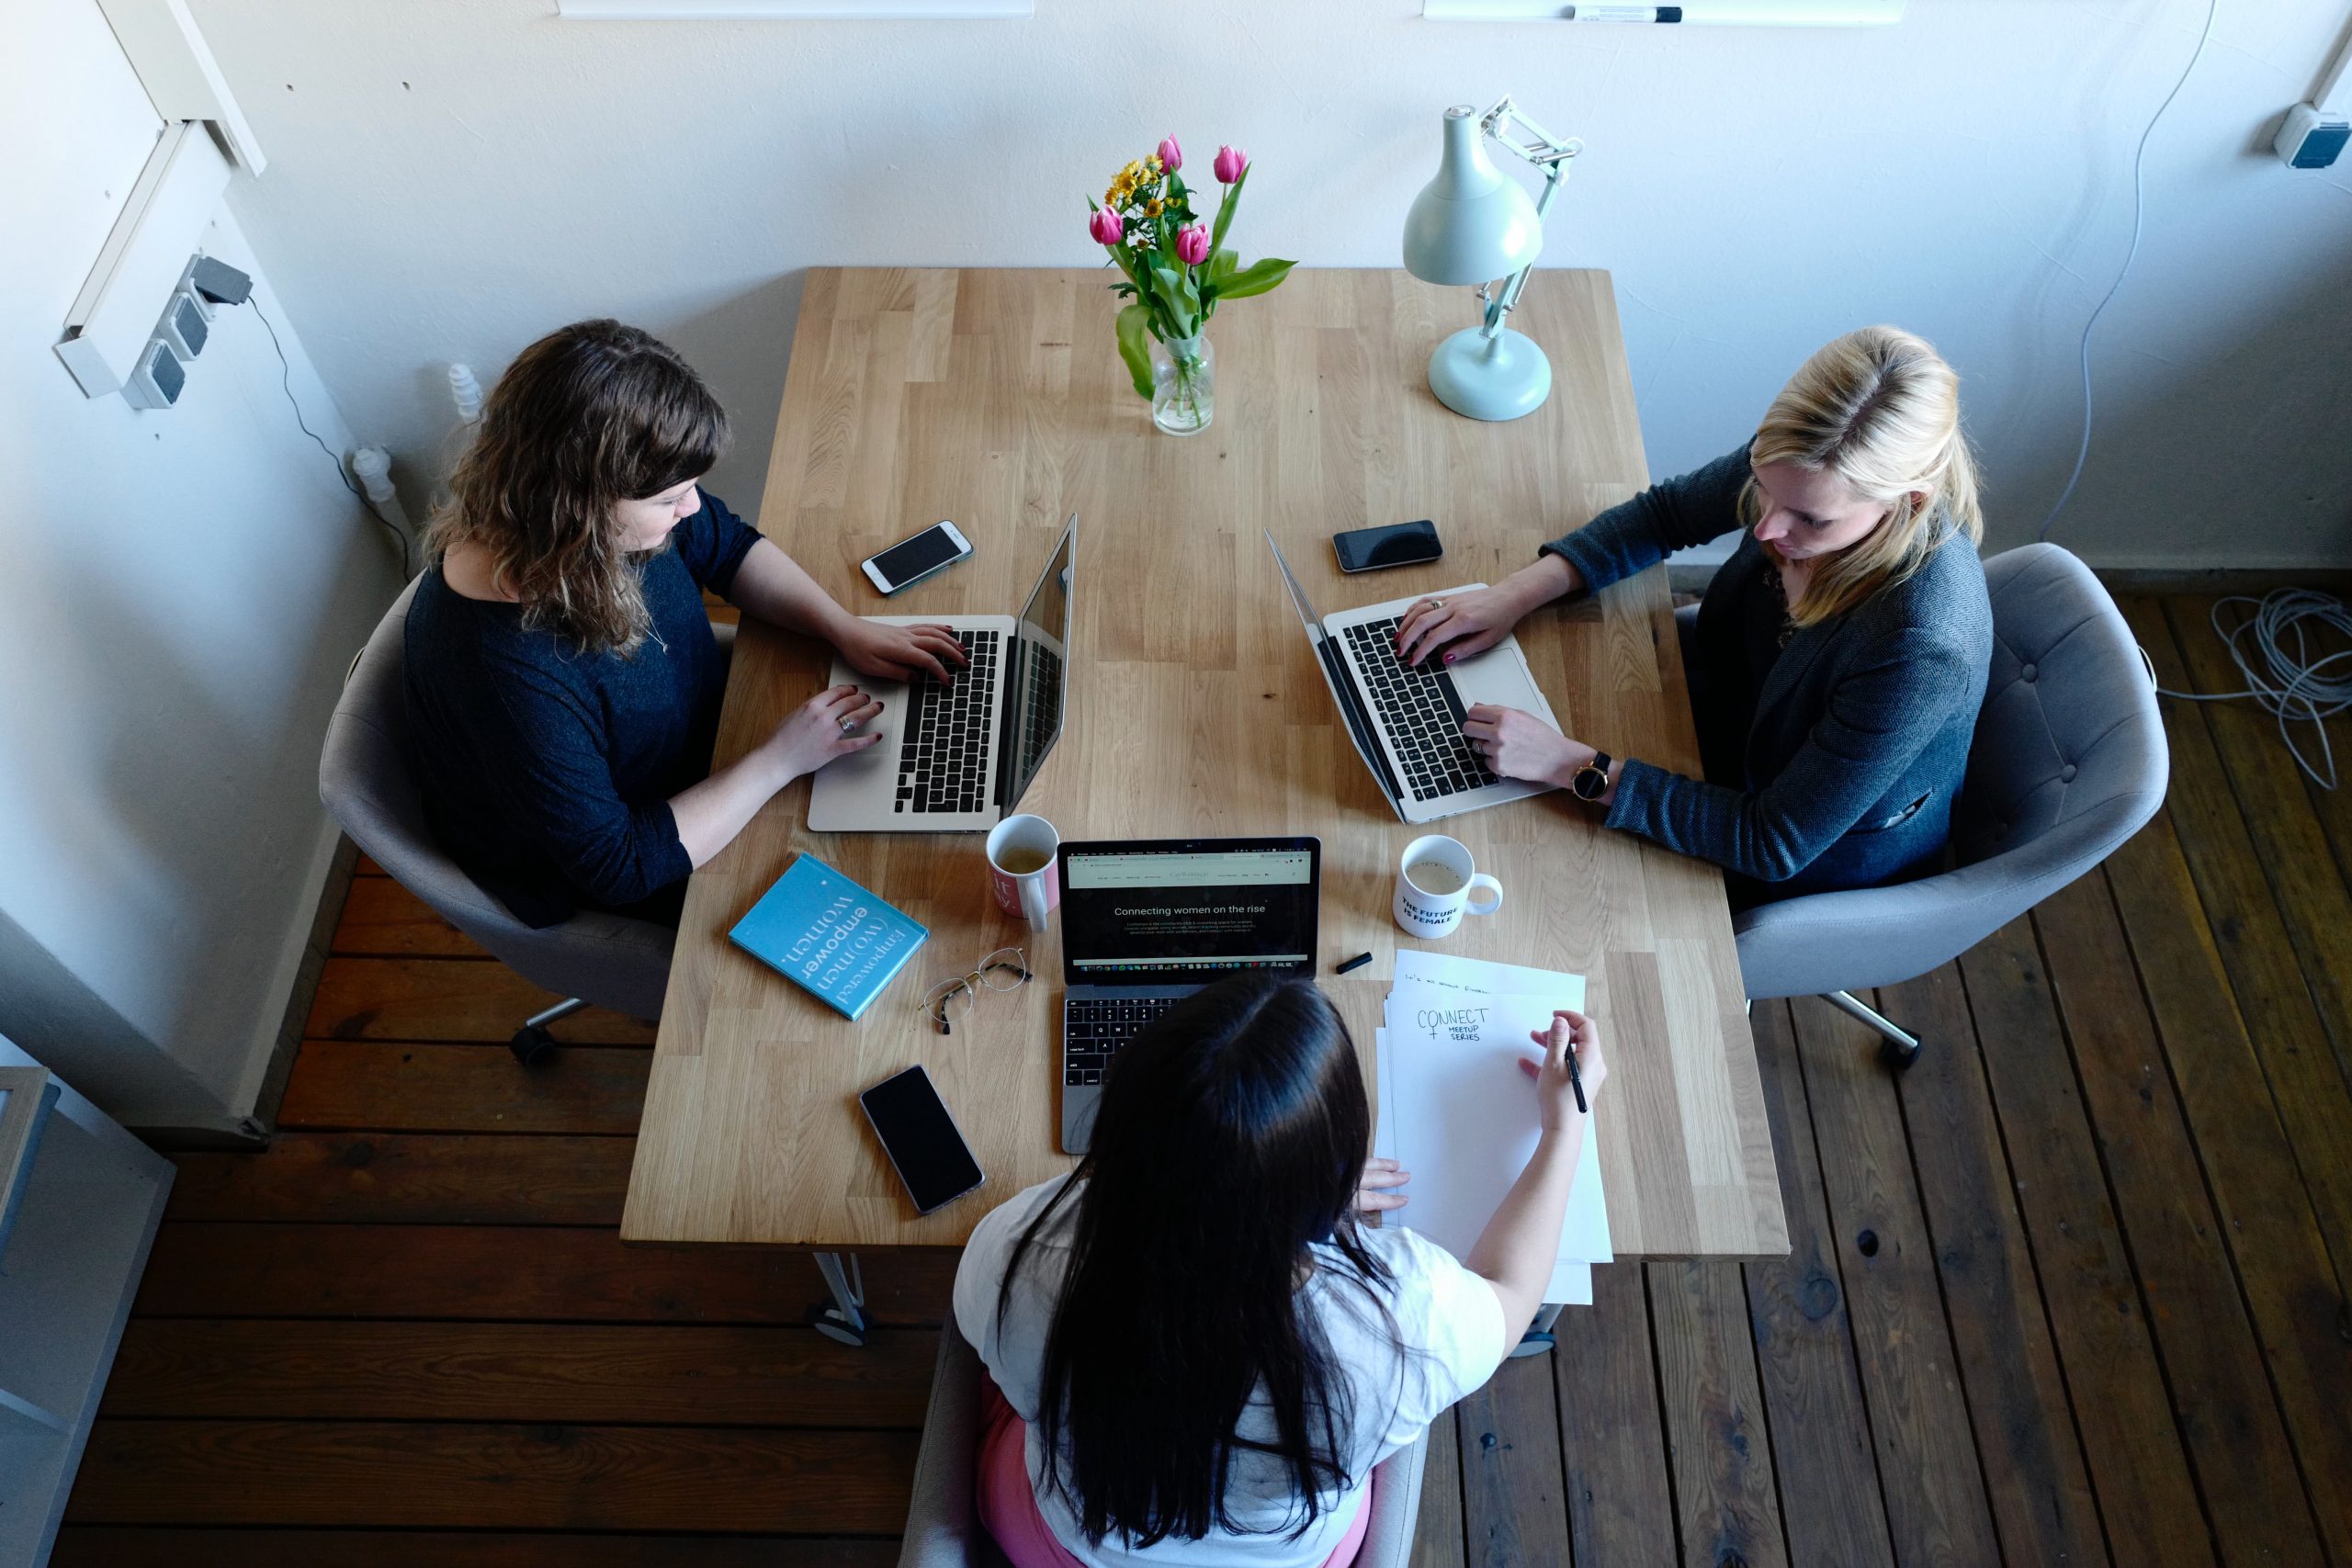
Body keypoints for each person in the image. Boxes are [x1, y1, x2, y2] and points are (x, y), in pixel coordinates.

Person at [953, 973, 1605, 1568]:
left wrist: (1253, 1186)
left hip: (1067, 1544)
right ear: (1333, 1186)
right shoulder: (1401, 1323)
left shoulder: (1016, 1252)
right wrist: (1564, 1126)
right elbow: (1512, 1292)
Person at [1396, 324, 1992, 904]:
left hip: (1796, 858)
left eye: (1810, 520)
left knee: (1546, 888)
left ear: (1907, 501)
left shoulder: (1919, 644)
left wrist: (1567, 763)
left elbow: (1772, 841)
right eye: (1762, 486)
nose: (1766, 527)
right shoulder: (1802, 462)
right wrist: (1513, 595)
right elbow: (1667, 515)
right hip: (1723, 717)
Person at [405, 319, 968, 928]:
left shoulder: (588, 529)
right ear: (576, 504)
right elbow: (618, 866)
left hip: (718, 741)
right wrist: (779, 760)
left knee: (920, 810)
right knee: (906, 886)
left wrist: (841, 626)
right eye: (669, 499)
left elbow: (726, 547)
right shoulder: (504, 675)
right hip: (650, 848)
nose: (692, 507)